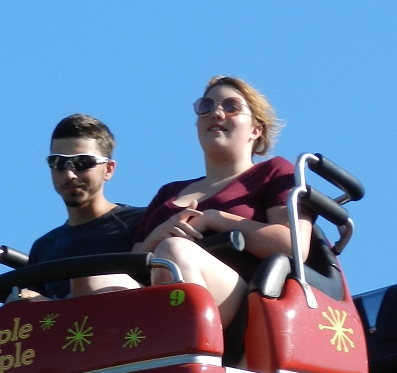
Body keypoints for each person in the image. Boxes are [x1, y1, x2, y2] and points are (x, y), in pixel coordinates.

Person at [131, 76, 312, 327]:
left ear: (255, 130)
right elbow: (131, 263)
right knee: (94, 280)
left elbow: (294, 246)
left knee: (175, 251)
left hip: (244, 300)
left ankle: (189, 348)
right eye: (206, 106)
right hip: (155, 298)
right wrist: (158, 236)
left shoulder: (273, 172)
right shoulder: (169, 193)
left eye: (231, 107)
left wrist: (217, 219)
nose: (216, 113)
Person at [25, 114, 144, 299]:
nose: (70, 174)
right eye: (58, 163)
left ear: (109, 169)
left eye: (82, 163)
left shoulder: (140, 223)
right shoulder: (44, 248)